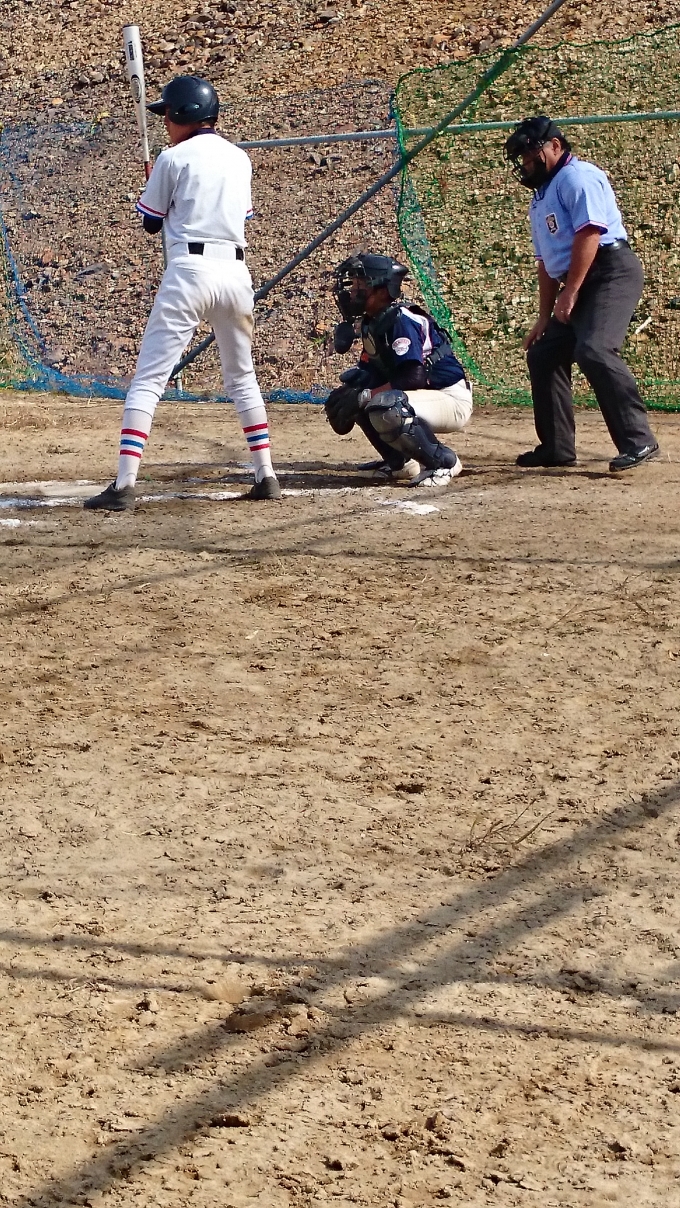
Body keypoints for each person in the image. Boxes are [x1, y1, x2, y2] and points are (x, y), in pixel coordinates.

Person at [84, 75, 280, 512]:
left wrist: (154, 184)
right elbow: (235, 213)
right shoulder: (239, 158)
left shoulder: (172, 158)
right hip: (235, 273)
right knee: (242, 378)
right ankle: (266, 474)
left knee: (149, 380)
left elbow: (150, 222)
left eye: (168, 114)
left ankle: (124, 484)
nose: (165, 122)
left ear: (183, 113)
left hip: (190, 270)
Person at [504, 115, 659, 472]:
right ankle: (557, 448)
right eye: (522, 157)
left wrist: (571, 291)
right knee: (544, 354)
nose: (526, 163)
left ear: (555, 146)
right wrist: (544, 317)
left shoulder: (577, 177)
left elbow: (590, 233)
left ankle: (638, 439)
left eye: (530, 154)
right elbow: (546, 263)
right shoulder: (540, 198)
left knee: (594, 349)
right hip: (579, 277)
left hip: (609, 272)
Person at [324, 253, 473, 487]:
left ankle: (444, 462)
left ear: (382, 290)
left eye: (360, 285)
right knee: (358, 393)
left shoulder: (401, 320)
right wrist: (352, 393)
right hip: (423, 395)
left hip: (449, 397)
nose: (352, 291)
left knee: (385, 405)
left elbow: (413, 377)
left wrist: (366, 395)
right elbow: (372, 375)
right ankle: (400, 463)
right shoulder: (373, 322)